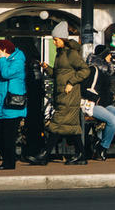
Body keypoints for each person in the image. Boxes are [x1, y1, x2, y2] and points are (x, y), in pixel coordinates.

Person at [26, 21, 90, 165]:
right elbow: (58, 74)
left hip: (69, 96)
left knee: (55, 124)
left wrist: (71, 82)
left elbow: (85, 70)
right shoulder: (60, 54)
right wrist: (47, 68)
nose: (54, 42)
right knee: (72, 128)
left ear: (63, 39)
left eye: (56, 39)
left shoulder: (71, 54)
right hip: (62, 95)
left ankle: (44, 156)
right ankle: (82, 155)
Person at [0, 39, 27, 170]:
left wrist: (2, 59)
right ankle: (7, 159)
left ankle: (9, 163)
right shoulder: (0, 62)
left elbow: (6, 74)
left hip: (12, 105)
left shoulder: (18, 62)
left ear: (4, 50)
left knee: (8, 136)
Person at [83, 44, 115, 161]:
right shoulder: (92, 70)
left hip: (105, 105)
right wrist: (96, 98)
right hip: (92, 104)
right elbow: (83, 89)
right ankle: (102, 148)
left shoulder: (106, 71)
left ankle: (99, 139)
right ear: (104, 56)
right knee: (113, 120)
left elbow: (105, 90)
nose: (111, 56)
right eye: (109, 54)